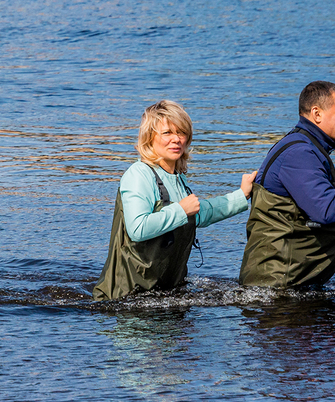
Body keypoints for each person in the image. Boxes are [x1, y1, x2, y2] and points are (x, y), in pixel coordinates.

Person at [94, 100, 256, 301]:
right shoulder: (139, 174)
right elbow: (137, 228)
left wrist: (242, 195)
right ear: (149, 138)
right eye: (167, 133)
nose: (176, 139)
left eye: (181, 132)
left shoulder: (177, 177)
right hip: (127, 298)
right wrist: (180, 210)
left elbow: (199, 213)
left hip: (163, 293)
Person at [239, 81, 335, 288]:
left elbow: (300, 212)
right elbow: (326, 209)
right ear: (317, 114)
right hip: (278, 289)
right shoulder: (299, 154)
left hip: (286, 284)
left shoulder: (304, 147)